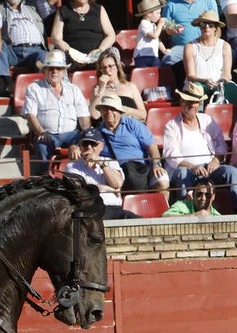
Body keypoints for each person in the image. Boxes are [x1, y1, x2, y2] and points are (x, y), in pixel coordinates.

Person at [163, 81, 237, 209]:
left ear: (200, 104)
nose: (193, 105)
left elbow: (221, 144)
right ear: (181, 102)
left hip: (209, 169)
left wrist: (216, 160)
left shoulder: (207, 120)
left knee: (231, 171)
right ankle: (185, 211)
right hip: (187, 170)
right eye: (189, 101)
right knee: (182, 173)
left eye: (196, 102)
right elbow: (171, 155)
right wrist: (192, 167)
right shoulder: (172, 125)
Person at [22, 50, 91, 175]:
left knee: (88, 143)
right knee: (43, 144)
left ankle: (83, 176)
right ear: (44, 71)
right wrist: (40, 131)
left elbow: (84, 116)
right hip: (47, 133)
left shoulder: (74, 90)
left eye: (58, 68)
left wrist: (85, 137)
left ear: (64, 71)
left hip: (71, 134)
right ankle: (46, 180)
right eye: (51, 68)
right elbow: (30, 114)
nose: (55, 71)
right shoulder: (34, 88)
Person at [95, 93, 169, 193]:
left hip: (141, 169)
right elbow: (83, 145)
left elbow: (151, 145)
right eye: (105, 109)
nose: (108, 112)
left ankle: (159, 207)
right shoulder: (97, 133)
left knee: (163, 181)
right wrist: (74, 147)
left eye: (112, 109)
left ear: (119, 111)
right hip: (117, 172)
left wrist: (156, 164)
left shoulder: (133, 124)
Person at [63, 128, 135, 219]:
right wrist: (106, 188)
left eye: (93, 144)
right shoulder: (73, 166)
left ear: (101, 146)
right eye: (85, 144)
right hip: (91, 210)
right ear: (80, 146)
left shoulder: (110, 162)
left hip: (115, 208)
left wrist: (100, 162)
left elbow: (117, 183)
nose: (89, 148)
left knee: (139, 221)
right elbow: (80, 192)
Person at [0, 0, 48, 98]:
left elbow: (50, 4)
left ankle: (39, 86)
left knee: (44, 56)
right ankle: (8, 83)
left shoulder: (33, 6)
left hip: (35, 51)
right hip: (13, 52)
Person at [183, 10, 235, 100]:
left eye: (210, 25)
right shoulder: (190, 46)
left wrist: (221, 81)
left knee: (231, 88)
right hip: (197, 85)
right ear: (199, 26)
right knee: (197, 88)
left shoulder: (225, 46)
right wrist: (204, 80)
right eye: (203, 24)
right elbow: (190, 76)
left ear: (215, 27)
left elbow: (227, 73)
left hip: (218, 85)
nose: (207, 27)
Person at [50, 0, 115, 69]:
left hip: (98, 55)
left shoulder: (99, 9)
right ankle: (65, 80)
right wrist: (71, 53)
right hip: (70, 55)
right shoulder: (63, 10)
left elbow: (111, 35)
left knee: (114, 51)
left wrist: (99, 51)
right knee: (58, 56)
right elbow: (56, 38)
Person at [89, 49, 147, 121]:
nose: (107, 70)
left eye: (110, 66)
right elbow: (95, 115)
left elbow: (143, 115)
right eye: (104, 67)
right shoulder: (97, 89)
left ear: (117, 67)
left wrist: (126, 110)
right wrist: (101, 89)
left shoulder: (130, 87)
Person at [163, 0, 222, 67]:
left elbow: (216, 27)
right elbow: (166, 25)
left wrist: (214, 46)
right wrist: (170, 30)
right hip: (181, 48)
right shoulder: (171, 3)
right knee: (167, 61)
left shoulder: (209, 1)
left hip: (205, 46)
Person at [134, 0, 169, 68]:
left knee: (157, 71)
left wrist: (164, 49)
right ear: (149, 13)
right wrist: (160, 24)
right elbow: (154, 36)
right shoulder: (144, 23)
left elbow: (157, 40)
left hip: (153, 56)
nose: (159, 16)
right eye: (158, 13)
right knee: (144, 74)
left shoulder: (153, 25)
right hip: (142, 56)